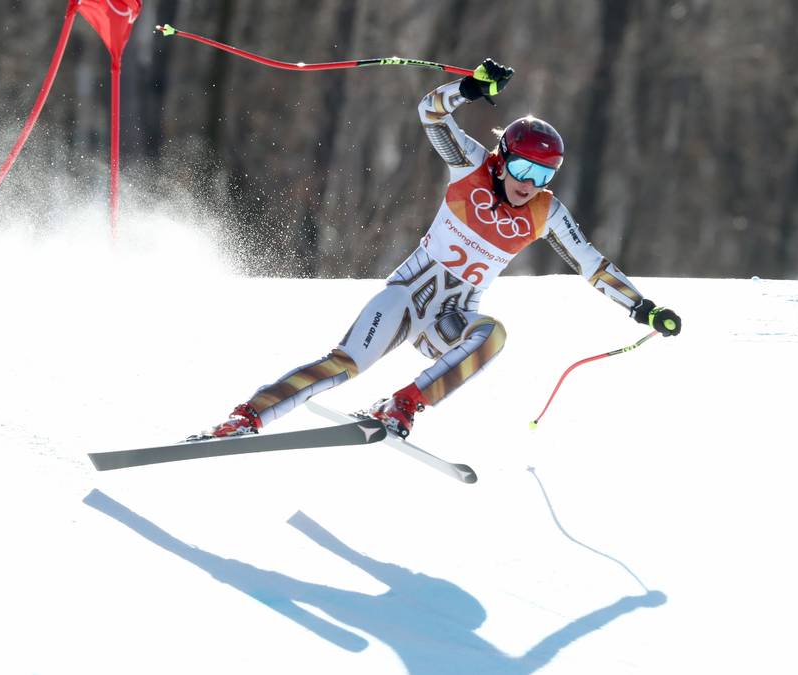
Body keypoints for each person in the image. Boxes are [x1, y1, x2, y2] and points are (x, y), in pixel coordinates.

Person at [194, 59, 681, 441]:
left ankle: (402, 403)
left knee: (493, 335)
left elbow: (593, 266)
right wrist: (468, 88)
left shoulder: (546, 213)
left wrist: (643, 308)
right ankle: (246, 417)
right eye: (525, 171)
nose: (530, 186)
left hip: (450, 319)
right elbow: (430, 112)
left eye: (544, 176)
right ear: (503, 158)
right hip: (405, 299)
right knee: (344, 365)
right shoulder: (470, 164)